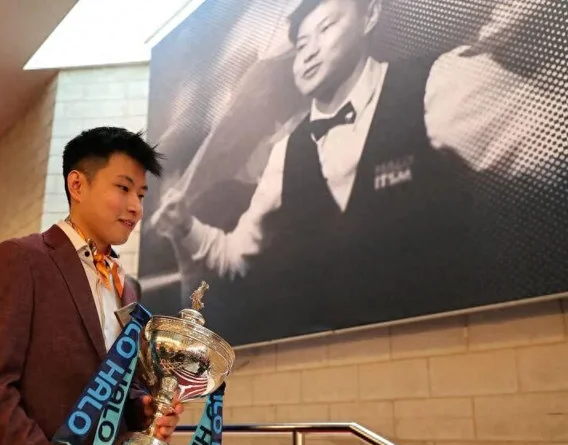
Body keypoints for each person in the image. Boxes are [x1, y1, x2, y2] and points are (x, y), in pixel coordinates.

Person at [152, 0, 565, 344]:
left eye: (327, 28)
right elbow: (237, 258)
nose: (309, 52)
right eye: (300, 44)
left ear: (369, 16)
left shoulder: (439, 84)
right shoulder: (285, 152)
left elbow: (553, 155)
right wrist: (185, 226)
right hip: (334, 359)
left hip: (458, 348)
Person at [0, 127, 183, 445]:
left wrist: (143, 408)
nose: (136, 208)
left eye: (142, 195)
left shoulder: (128, 286)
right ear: (77, 185)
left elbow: (117, 385)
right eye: (123, 188)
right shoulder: (21, 260)